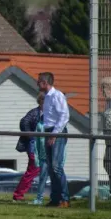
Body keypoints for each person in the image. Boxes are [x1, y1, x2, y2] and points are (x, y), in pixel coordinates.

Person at [38, 72, 70, 208]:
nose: (37, 84)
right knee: (51, 167)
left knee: (57, 167)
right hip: (48, 131)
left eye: (39, 81)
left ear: (45, 83)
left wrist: (54, 134)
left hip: (56, 131)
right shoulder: (46, 97)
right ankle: (55, 198)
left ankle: (65, 198)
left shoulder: (57, 96)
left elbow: (64, 116)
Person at [13, 93, 44, 202]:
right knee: (33, 170)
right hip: (34, 146)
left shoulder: (45, 113)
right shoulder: (35, 113)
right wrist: (31, 137)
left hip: (41, 147)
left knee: (37, 170)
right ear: (41, 102)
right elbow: (24, 122)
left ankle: (19, 194)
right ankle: (18, 195)